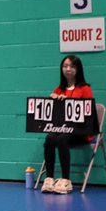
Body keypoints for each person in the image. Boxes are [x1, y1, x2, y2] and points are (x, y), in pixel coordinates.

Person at [42, 55, 94, 194]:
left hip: (80, 132)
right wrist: (53, 101)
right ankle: (49, 178)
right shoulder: (58, 89)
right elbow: (53, 116)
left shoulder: (85, 88)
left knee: (62, 138)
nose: (68, 69)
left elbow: (88, 112)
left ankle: (66, 180)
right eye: (65, 66)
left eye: (72, 66)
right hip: (62, 129)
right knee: (49, 138)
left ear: (78, 69)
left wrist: (68, 101)